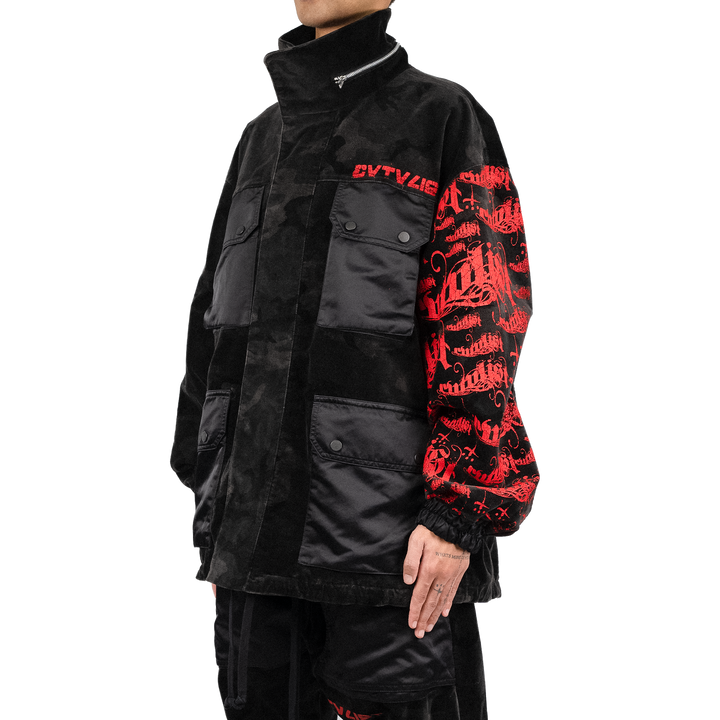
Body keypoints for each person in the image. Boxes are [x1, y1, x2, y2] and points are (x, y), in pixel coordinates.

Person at [168, 1, 542, 718]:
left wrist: (461, 510)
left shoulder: (440, 114)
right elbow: (211, 333)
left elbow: (483, 320)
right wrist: (215, 512)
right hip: (253, 557)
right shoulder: (259, 136)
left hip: (394, 552)